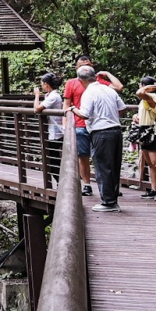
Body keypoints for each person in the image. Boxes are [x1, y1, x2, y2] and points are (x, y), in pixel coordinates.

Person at [74, 65, 125, 211]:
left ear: (79, 80)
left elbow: (85, 114)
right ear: (95, 76)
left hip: (101, 133)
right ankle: (112, 199)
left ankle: (109, 202)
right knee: (114, 166)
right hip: (116, 130)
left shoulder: (88, 93)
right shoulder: (108, 89)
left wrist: (72, 109)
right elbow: (122, 109)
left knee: (103, 167)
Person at [63, 55, 95, 195]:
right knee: (83, 156)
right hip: (80, 124)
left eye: (87, 65)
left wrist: (107, 75)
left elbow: (118, 88)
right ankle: (87, 184)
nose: (84, 67)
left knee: (101, 155)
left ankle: (110, 185)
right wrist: (66, 125)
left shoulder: (99, 82)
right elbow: (67, 104)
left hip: (97, 124)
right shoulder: (71, 83)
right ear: (76, 68)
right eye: (81, 66)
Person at [32, 72, 64, 181]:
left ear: (46, 84)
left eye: (42, 84)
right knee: (53, 159)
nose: (41, 86)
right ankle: (60, 182)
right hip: (53, 131)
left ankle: (61, 182)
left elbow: (37, 109)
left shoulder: (54, 96)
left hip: (55, 132)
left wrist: (37, 95)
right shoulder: (51, 95)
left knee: (52, 159)